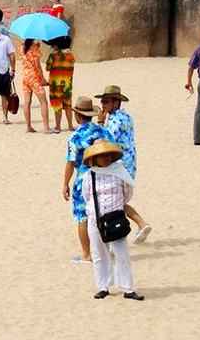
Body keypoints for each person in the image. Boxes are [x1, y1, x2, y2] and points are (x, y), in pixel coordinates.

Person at [78, 141, 144, 300]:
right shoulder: (89, 175)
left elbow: (127, 194)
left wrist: (115, 205)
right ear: (94, 158)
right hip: (96, 219)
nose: (105, 158)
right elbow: (87, 196)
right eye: (101, 155)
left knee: (122, 254)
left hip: (116, 219)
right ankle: (103, 286)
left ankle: (128, 288)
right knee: (99, 253)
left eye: (107, 155)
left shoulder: (120, 171)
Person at [97, 86, 151, 242]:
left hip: (119, 166)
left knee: (114, 202)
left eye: (106, 102)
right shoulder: (126, 116)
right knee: (118, 201)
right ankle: (141, 224)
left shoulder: (116, 120)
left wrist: (100, 123)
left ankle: (140, 224)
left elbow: (106, 142)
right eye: (102, 101)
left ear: (116, 102)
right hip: (129, 164)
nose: (103, 105)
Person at [64, 96, 110, 264]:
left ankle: (86, 254)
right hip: (103, 176)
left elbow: (70, 162)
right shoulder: (102, 131)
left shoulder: (75, 137)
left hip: (83, 179)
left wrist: (65, 184)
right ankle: (105, 251)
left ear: (77, 115)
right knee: (102, 213)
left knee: (82, 216)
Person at [17, 37, 51, 133]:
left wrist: (36, 47)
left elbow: (27, 56)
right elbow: (37, 65)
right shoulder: (34, 48)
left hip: (25, 76)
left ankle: (28, 126)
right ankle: (46, 127)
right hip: (34, 77)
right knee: (43, 102)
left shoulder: (21, 47)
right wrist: (43, 79)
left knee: (27, 102)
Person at [46, 36, 76, 133]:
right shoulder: (71, 56)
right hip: (68, 85)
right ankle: (70, 126)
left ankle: (58, 127)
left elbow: (48, 68)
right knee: (68, 105)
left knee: (57, 105)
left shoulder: (53, 56)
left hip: (55, 85)